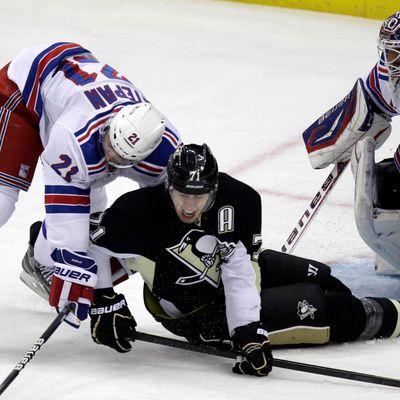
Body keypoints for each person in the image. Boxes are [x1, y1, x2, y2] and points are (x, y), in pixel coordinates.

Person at [84, 143, 400, 377]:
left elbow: (239, 270)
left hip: (240, 278)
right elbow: (87, 246)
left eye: (199, 196)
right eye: (183, 195)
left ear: (214, 188)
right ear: (168, 187)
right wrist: (102, 300)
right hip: (200, 314)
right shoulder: (136, 213)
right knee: (339, 311)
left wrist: (246, 328)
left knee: (325, 279)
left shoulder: (238, 201)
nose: (190, 206)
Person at [2, 42, 181, 327]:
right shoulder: (74, 138)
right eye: (110, 144)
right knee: (3, 199)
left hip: (75, 82)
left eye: (119, 159)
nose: (109, 157)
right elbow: (66, 221)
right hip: (26, 88)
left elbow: (163, 218)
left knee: (100, 223)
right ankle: (43, 258)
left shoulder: (165, 153)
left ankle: (39, 259)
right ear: (111, 125)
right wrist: (83, 278)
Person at [301, 11, 400, 275]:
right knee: (385, 183)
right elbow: (371, 103)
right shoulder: (388, 75)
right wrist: (338, 137)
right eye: (390, 53)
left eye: (396, 54)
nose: (392, 62)